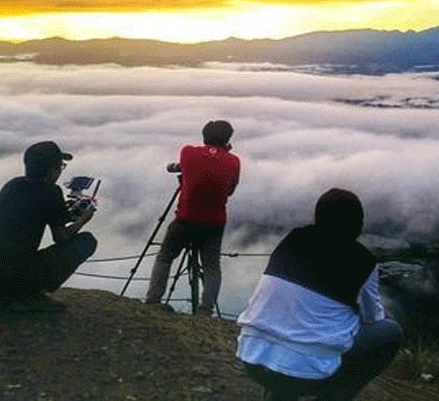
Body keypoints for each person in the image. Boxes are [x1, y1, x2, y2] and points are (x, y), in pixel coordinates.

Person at [236, 188, 403, 401]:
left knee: (293, 329)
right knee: (390, 331)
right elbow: (372, 319)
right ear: (357, 224)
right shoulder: (363, 261)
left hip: (252, 361)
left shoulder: (293, 239)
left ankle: (278, 396)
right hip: (308, 376)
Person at [0, 140, 97, 312]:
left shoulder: (13, 185)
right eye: (60, 166)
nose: (60, 170)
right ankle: (28, 296)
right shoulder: (51, 191)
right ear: (52, 170)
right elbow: (61, 237)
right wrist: (83, 220)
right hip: (12, 275)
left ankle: (0, 296)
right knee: (86, 242)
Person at [144, 119, 241, 315]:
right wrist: (225, 153)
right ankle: (206, 310)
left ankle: (153, 301)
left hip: (185, 219)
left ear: (204, 136)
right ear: (227, 139)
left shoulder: (188, 152)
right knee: (212, 267)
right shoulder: (234, 161)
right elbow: (229, 191)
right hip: (214, 223)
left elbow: (187, 167)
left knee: (164, 257)